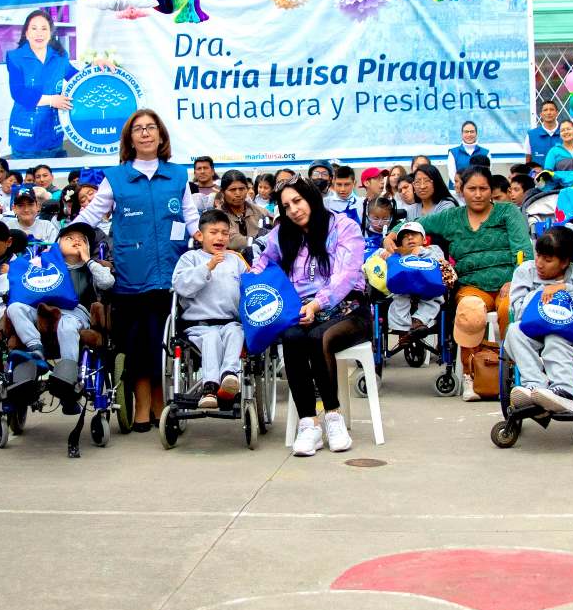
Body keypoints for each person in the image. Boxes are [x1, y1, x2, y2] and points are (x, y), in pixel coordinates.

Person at [71, 110, 192, 433]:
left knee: (163, 344)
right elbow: (91, 215)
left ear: (162, 136)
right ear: (129, 139)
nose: (145, 133)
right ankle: (142, 407)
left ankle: (161, 407)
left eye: (151, 127)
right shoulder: (117, 177)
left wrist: (219, 247)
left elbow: (193, 221)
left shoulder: (178, 176)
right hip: (131, 275)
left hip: (169, 273)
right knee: (138, 344)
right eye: (138, 129)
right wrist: (64, 240)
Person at [252, 180, 368, 454]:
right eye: (286, 205)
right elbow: (263, 264)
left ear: (312, 198)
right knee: (291, 338)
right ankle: (309, 424)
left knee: (318, 337)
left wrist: (318, 304)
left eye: (298, 201)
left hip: (348, 307)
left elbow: (345, 276)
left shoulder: (343, 227)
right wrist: (246, 280)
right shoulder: (282, 234)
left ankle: (332, 416)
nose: (293, 209)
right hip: (302, 309)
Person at [419, 167, 531, 401]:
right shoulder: (452, 217)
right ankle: (472, 377)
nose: (478, 194)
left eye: (483, 189)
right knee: (470, 312)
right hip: (472, 286)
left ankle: (516, 374)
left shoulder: (508, 212)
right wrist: (393, 235)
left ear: (491, 191)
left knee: (509, 309)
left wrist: (515, 280)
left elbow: (523, 251)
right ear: (461, 190)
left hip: (509, 284)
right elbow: (417, 225)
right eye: (472, 189)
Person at [2, 220, 114, 410]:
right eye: (69, 238)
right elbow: (21, 283)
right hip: (41, 312)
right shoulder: (42, 263)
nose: (76, 241)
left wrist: (88, 259)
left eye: (82, 239)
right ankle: (34, 348)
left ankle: (67, 377)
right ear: (57, 243)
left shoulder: (91, 268)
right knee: (14, 308)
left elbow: (107, 282)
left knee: (66, 324)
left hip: (75, 313)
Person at [503, 226, 573, 416]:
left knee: (555, 338)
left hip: (566, 332)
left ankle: (565, 392)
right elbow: (517, 309)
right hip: (532, 329)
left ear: (564, 262)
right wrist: (541, 294)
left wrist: (565, 288)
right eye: (538, 256)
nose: (539, 264)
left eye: (548, 259)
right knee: (513, 331)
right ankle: (535, 387)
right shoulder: (525, 271)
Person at [172, 209, 248, 409]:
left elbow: (249, 289)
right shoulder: (190, 258)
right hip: (199, 326)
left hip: (230, 322)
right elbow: (181, 286)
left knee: (236, 332)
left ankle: (229, 376)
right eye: (214, 232)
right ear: (200, 235)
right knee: (211, 337)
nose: (220, 237)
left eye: (224, 233)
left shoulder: (236, 261)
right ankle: (209, 387)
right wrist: (208, 266)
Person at [5, 9, 78, 156]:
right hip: (26, 136)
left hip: (53, 134)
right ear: (26, 33)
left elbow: (77, 79)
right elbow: (19, 93)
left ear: (50, 33)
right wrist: (51, 100)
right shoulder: (15, 57)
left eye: (44, 28)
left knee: (50, 177)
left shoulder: (60, 57)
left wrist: (96, 66)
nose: (39, 33)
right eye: (34, 28)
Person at [384, 220, 450, 347]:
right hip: (404, 288)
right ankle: (403, 331)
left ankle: (418, 321)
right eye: (404, 236)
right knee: (398, 300)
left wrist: (421, 251)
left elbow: (439, 261)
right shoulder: (397, 254)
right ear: (401, 243)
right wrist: (386, 255)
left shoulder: (432, 249)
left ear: (424, 240)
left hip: (428, 286)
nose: (409, 237)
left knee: (434, 300)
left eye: (414, 234)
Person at [543, 119, 573, 185]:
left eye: (568, 129)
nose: (566, 132)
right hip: (560, 189)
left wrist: (559, 175)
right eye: (562, 130)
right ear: (559, 134)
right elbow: (548, 173)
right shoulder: (553, 151)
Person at [528, 101, 563, 169]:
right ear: (541, 114)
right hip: (539, 178)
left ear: (557, 113)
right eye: (545, 110)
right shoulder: (531, 135)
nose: (549, 113)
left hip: (561, 177)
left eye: (552, 109)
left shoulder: (565, 133)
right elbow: (528, 159)